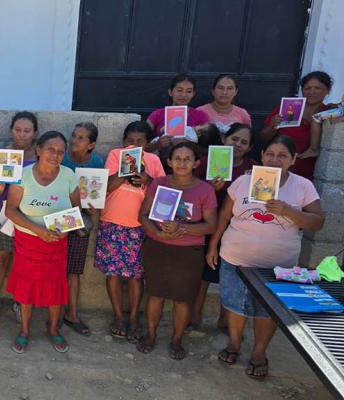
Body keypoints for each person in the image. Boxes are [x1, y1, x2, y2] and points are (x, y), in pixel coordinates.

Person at [208, 135, 325, 379]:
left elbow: (317, 222)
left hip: (278, 266)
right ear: (262, 156)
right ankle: (234, 343)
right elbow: (225, 215)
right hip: (235, 258)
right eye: (270, 154)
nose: (274, 160)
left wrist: (288, 211)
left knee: (267, 311)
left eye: (282, 155)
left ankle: (259, 352)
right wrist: (213, 245)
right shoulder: (243, 181)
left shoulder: (302, 186)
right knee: (234, 305)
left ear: (293, 159)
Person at [136, 142, 218, 360]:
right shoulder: (159, 184)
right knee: (155, 294)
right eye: (178, 159)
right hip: (157, 246)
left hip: (188, 252)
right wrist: (158, 233)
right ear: (169, 162)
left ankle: (176, 340)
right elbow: (143, 215)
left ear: (196, 163)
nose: (182, 163)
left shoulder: (205, 190)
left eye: (187, 159)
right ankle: (151, 335)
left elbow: (211, 225)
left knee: (183, 299)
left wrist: (182, 228)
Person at [5, 131, 80, 353]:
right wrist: (38, 230)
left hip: (56, 243)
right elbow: (10, 210)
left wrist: (65, 231)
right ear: (38, 150)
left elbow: (76, 211)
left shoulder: (68, 176)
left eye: (60, 152)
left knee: (55, 288)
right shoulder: (23, 175)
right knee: (26, 289)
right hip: (28, 242)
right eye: (50, 149)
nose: (55, 155)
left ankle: (53, 329)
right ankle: (24, 330)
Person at [95, 121, 165, 341]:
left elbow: (163, 192)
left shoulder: (153, 160)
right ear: (123, 141)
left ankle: (134, 318)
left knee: (136, 276)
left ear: (147, 144)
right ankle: (118, 316)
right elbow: (105, 187)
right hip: (112, 222)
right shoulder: (115, 155)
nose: (134, 145)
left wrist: (148, 180)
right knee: (113, 273)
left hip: (140, 225)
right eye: (130, 141)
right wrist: (126, 171)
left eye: (140, 142)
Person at [190, 123, 259, 331]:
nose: (238, 144)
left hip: (236, 229)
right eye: (234, 139)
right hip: (207, 223)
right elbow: (191, 190)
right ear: (223, 139)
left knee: (228, 275)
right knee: (203, 273)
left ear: (249, 148)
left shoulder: (253, 168)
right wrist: (209, 189)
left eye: (244, 142)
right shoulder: (206, 162)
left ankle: (224, 319)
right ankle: (195, 316)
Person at [0, 111, 39, 322]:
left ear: (35, 133)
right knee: (1, 257)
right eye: (17, 130)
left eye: (27, 131)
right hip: (1, 212)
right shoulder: (2, 155)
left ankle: (20, 302)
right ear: (11, 131)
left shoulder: (39, 157)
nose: (22, 135)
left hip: (29, 214)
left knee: (23, 262)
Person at [60, 122, 105, 336]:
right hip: (57, 216)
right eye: (73, 135)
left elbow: (96, 198)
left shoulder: (96, 163)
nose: (74, 141)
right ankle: (52, 311)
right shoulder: (61, 157)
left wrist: (93, 208)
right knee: (53, 265)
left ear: (91, 144)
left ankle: (72, 314)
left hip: (79, 220)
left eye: (81, 138)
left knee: (74, 269)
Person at [260, 71, 334, 179]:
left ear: (328, 90)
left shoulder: (328, 112)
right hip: (278, 168)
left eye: (317, 88)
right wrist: (273, 126)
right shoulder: (288, 108)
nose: (312, 92)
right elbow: (262, 138)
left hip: (310, 171)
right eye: (307, 88)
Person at [146, 74, 210, 150]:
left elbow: (207, 145)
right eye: (179, 90)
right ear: (170, 92)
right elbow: (142, 142)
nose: (184, 95)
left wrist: (188, 144)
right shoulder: (157, 114)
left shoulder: (200, 116)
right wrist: (157, 145)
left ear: (193, 94)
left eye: (189, 91)